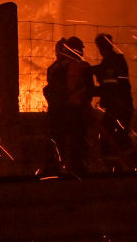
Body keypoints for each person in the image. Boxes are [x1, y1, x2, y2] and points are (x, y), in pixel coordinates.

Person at [42, 36, 93, 177]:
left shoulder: (54, 68)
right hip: (77, 111)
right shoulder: (84, 67)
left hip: (57, 111)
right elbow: (90, 91)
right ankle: (78, 170)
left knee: (56, 139)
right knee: (78, 139)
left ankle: (52, 170)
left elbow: (51, 88)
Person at [92, 33, 137, 172]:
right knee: (112, 140)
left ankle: (133, 171)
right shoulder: (113, 61)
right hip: (117, 108)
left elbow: (110, 86)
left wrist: (91, 89)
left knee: (117, 139)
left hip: (119, 109)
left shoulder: (113, 62)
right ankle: (125, 171)